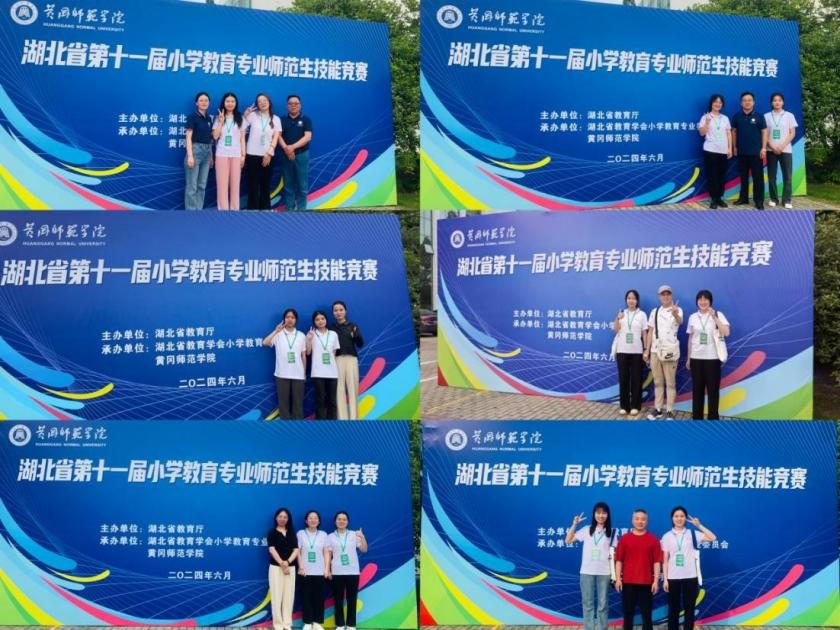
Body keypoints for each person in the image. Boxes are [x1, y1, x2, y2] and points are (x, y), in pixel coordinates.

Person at [662, 507, 717, 630]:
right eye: (676, 516)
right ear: (672, 518)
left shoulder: (692, 534)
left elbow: (713, 538)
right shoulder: (667, 536)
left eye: (682, 516)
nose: (679, 519)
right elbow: (665, 560)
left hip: (690, 576)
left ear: (685, 518)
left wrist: (699, 526)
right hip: (673, 577)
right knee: (673, 608)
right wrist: (665, 579)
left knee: (689, 607)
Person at [565, 502, 614, 630]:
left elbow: (614, 555)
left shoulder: (612, 533)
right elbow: (568, 540)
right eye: (598, 512)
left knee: (603, 605)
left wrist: (615, 575)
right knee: (588, 604)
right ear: (594, 514)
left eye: (604, 513)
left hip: (605, 573)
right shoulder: (587, 529)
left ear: (608, 515)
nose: (601, 515)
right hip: (586, 572)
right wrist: (575, 524)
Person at [686, 290, 730, 420]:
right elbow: (690, 339)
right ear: (697, 301)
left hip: (712, 359)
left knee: (713, 391)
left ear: (710, 301)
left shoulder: (718, 314)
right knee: (697, 391)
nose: (703, 301)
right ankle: (697, 419)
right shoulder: (693, 317)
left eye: (705, 299)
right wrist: (688, 358)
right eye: (700, 299)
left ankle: (712, 420)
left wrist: (714, 317)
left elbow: (726, 332)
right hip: (696, 358)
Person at [615, 509, 662, 630]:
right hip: (628, 582)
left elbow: (657, 562)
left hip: (646, 583)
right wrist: (618, 579)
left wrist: (656, 581)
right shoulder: (624, 538)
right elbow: (619, 560)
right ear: (632, 520)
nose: (640, 521)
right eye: (637, 519)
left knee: (646, 614)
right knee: (628, 613)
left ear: (647, 521)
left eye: (643, 519)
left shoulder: (653, 539)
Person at [644, 286, 683, 420]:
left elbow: (680, 321)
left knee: (670, 383)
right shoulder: (654, 312)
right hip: (655, 351)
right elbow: (650, 332)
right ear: (659, 296)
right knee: (657, 382)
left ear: (671, 295)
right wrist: (647, 350)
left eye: (668, 294)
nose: (665, 296)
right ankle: (658, 409)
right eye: (663, 294)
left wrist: (675, 314)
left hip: (670, 351)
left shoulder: (677, 309)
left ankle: (670, 410)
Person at [262, 309, 307, 419]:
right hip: (282, 374)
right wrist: (276, 331)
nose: (290, 319)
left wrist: (304, 374)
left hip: (298, 375)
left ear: (296, 320)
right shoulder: (279, 334)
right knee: (283, 405)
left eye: (292, 317)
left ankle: (298, 427)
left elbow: (303, 356)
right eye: (287, 317)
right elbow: (265, 342)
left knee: (298, 404)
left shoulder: (301, 335)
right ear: (284, 319)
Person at [327, 512, 368, 630]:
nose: (341, 521)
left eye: (344, 519)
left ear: (347, 522)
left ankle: (351, 625)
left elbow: (364, 549)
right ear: (335, 521)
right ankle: (340, 625)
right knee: (338, 600)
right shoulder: (330, 537)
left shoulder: (354, 534)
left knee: (352, 599)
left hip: (353, 572)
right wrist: (328, 570)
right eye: (339, 519)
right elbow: (328, 554)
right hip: (337, 572)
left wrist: (362, 537)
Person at [243, 94, 282, 210]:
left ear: (269, 102)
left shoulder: (276, 119)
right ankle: (252, 209)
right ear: (257, 105)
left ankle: (265, 209)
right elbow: (241, 128)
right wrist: (245, 115)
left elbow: (276, 137)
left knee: (265, 183)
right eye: (259, 101)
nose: (262, 103)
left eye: (264, 100)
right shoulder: (252, 116)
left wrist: (269, 152)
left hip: (267, 155)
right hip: (252, 154)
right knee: (252, 183)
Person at [613, 290, 648, 416]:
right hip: (622, 350)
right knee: (623, 379)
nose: (631, 300)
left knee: (636, 379)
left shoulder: (642, 315)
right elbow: (615, 329)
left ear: (637, 300)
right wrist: (618, 318)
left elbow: (645, 333)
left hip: (637, 351)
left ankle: (635, 406)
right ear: (626, 300)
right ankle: (624, 406)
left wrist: (646, 349)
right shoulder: (621, 313)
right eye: (629, 298)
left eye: (633, 298)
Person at [731, 91, 767, 210]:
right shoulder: (736, 116)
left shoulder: (759, 117)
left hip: (756, 153)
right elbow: (734, 132)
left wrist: (763, 148)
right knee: (743, 177)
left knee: (758, 178)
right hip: (742, 152)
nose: (747, 102)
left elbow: (764, 132)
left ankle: (759, 201)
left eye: (749, 100)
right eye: (744, 100)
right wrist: (734, 147)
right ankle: (743, 198)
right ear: (741, 103)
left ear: (753, 102)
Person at [212, 92, 246, 210]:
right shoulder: (218, 118)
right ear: (224, 103)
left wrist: (243, 155)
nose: (230, 103)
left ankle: (234, 210)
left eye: (232, 101)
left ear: (236, 103)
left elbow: (242, 139)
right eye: (228, 101)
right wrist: (221, 122)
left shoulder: (241, 118)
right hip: (221, 154)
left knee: (235, 185)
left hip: (236, 155)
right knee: (222, 185)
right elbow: (215, 136)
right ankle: (223, 211)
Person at [278, 94, 313, 210]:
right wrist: (286, 149)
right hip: (286, 155)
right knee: (288, 184)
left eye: (296, 103)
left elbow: (308, 137)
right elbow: (278, 136)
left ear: (300, 105)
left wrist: (292, 147)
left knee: (302, 185)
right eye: (290, 103)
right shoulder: (281, 120)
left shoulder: (306, 119)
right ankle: (289, 210)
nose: (293, 105)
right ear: (287, 105)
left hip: (302, 155)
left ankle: (302, 211)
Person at [697, 94, 732, 209]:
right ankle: (713, 199)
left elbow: (729, 133)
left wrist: (730, 148)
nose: (718, 104)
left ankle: (720, 198)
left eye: (720, 102)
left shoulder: (725, 118)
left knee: (722, 175)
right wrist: (707, 122)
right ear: (711, 103)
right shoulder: (705, 117)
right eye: (715, 102)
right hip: (710, 150)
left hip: (723, 150)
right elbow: (701, 133)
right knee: (712, 175)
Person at [764, 92, 798, 209]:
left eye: (779, 100)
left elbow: (792, 133)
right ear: (771, 103)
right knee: (771, 177)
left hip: (786, 150)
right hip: (771, 150)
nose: (777, 102)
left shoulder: (789, 115)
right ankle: (773, 199)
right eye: (774, 100)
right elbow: (764, 134)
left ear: (783, 102)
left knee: (787, 176)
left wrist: (782, 146)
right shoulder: (766, 116)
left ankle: (787, 200)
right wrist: (772, 147)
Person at [331, 301, 364, 420]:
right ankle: (342, 418)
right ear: (333, 313)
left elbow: (360, 344)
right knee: (339, 389)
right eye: (336, 310)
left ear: (345, 311)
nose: (338, 312)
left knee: (352, 388)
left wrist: (356, 336)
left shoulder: (352, 326)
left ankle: (354, 418)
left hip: (351, 359)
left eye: (341, 310)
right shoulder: (331, 328)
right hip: (337, 359)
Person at [297, 511, 330, 630]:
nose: (313, 520)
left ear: (319, 521)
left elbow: (326, 552)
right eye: (310, 518)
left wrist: (326, 569)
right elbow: (297, 552)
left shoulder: (323, 534)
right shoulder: (301, 533)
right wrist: (301, 567)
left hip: (320, 572)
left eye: (315, 518)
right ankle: (307, 622)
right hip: (305, 572)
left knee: (319, 598)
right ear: (306, 521)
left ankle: (317, 622)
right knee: (306, 598)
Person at [268, 508, 299, 630]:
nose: (282, 519)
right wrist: (282, 563)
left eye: (285, 517)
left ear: (288, 519)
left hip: (290, 568)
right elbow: (272, 549)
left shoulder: (291, 533)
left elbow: (296, 550)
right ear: (276, 518)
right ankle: (278, 624)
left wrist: (288, 562)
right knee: (276, 596)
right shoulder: (272, 532)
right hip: (276, 568)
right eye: (280, 516)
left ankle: (287, 623)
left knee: (288, 596)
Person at [306, 310, 340, 419]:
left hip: (332, 372)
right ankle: (320, 424)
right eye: (317, 319)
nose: (320, 321)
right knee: (319, 399)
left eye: (322, 318)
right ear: (314, 322)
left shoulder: (333, 334)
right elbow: (308, 352)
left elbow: (334, 353)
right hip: (318, 372)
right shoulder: (311, 334)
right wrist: (309, 340)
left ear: (326, 319)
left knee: (332, 400)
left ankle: (332, 424)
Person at [184, 91, 214, 210]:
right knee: (192, 186)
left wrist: (211, 156)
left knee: (202, 185)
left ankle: (199, 211)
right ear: (196, 103)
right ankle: (191, 213)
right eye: (201, 100)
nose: (204, 102)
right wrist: (190, 156)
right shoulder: (192, 117)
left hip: (207, 153)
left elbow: (210, 139)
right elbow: (188, 137)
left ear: (209, 102)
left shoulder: (209, 118)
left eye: (206, 100)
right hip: (195, 151)